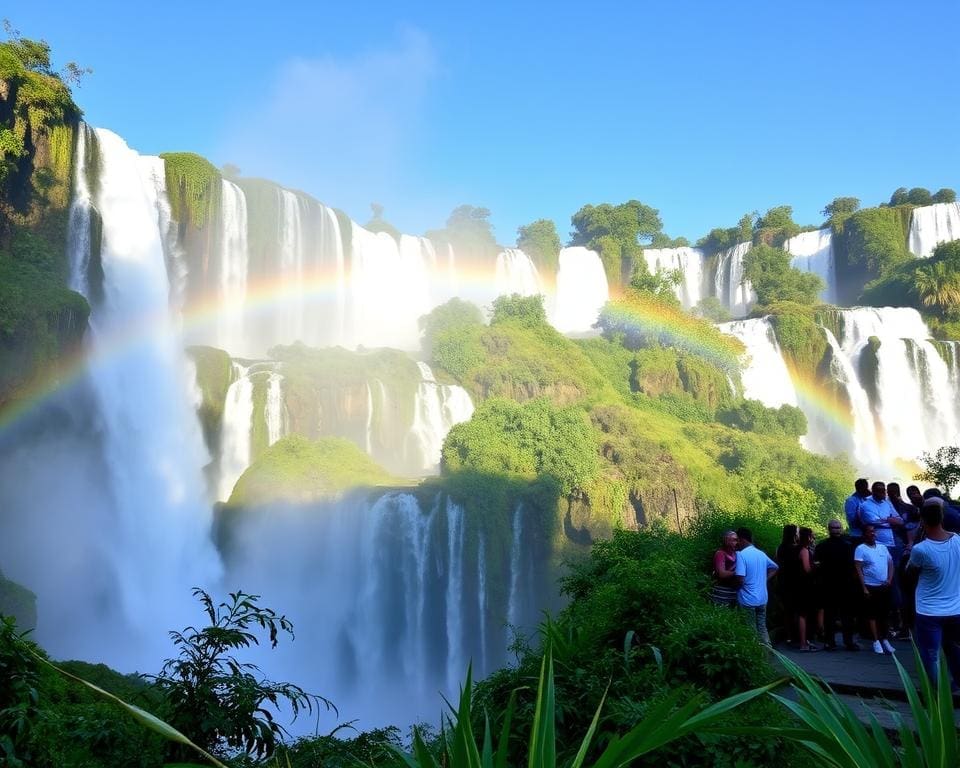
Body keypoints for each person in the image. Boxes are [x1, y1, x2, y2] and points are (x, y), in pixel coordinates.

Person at [906, 501, 960, 690]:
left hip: (928, 610)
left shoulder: (921, 549)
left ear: (922, 520)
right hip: (955, 608)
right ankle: (957, 683)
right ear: (942, 518)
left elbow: (910, 573)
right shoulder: (958, 540)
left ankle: (936, 691)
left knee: (931, 653)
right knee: (954, 648)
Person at [815, 519, 859, 650]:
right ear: (829, 529)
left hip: (841, 585)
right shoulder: (844, 546)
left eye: (838, 528)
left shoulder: (846, 546)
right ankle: (836, 641)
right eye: (835, 528)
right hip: (832, 585)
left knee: (843, 615)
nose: (837, 530)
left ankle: (841, 641)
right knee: (833, 615)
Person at [854, 525, 895, 655]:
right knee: (872, 614)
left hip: (884, 586)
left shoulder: (883, 547)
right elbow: (858, 569)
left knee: (884, 614)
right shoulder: (861, 549)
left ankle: (885, 639)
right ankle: (875, 640)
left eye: (874, 531)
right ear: (864, 534)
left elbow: (890, 563)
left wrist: (889, 579)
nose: (873, 534)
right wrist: (864, 587)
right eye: (870, 532)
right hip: (870, 585)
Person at [734, 527, 778, 646]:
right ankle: (768, 650)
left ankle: (755, 657)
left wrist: (737, 588)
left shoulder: (741, 555)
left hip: (747, 599)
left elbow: (740, 578)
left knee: (750, 629)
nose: (736, 543)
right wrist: (764, 579)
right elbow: (774, 567)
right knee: (762, 627)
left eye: (737, 540)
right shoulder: (761, 554)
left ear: (742, 540)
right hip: (762, 599)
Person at [794, 527, 819, 651]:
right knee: (803, 614)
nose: (813, 538)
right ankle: (803, 643)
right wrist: (816, 565)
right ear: (807, 537)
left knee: (802, 613)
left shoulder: (796, 549)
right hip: (804, 586)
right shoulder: (804, 550)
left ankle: (805, 641)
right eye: (811, 536)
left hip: (799, 585)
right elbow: (807, 569)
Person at [775, 525, 799, 644]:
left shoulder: (780, 548)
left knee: (787, 610)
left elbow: (778, 563)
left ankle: (789, 635)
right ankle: (799, 635)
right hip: (796, 582)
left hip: (783, 581)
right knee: (798, 610)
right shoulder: (797, 549)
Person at [710, 530, 739, 607]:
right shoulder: (720, 553)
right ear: (726, 540)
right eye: (734, 540)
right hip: (722, 591)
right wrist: (737, 572)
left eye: (737, 540)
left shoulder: (736, 554)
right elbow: (721, 574)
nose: (736, 542)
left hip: (733, 591)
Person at [844, 478, 870, 546]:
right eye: (866, 488)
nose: (867, 490)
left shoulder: (865, 499)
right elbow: (852, 520)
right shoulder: (851, 500)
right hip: (857, 536)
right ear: (860, 489)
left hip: (866, 535)